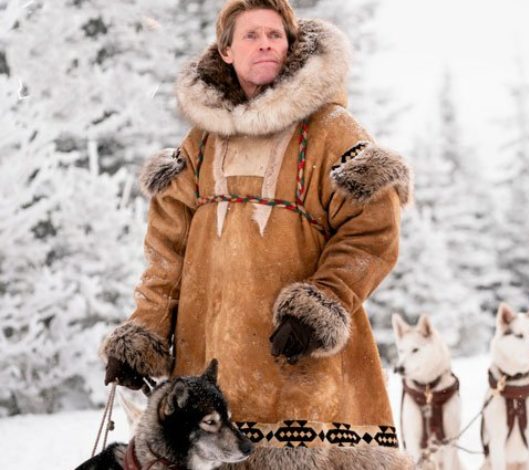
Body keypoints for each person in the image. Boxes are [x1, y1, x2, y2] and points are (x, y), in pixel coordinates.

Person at [99, 1, 413, 468]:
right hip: (207, 388)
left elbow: (372, 230)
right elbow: (167, 254)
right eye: (251, 35)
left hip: (300, 378)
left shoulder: (332, 131)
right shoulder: (200, 143)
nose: (266, 44)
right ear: (226, 51)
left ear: (290, 46)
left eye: (275, 35)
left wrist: (320, 306)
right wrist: (145, 333)